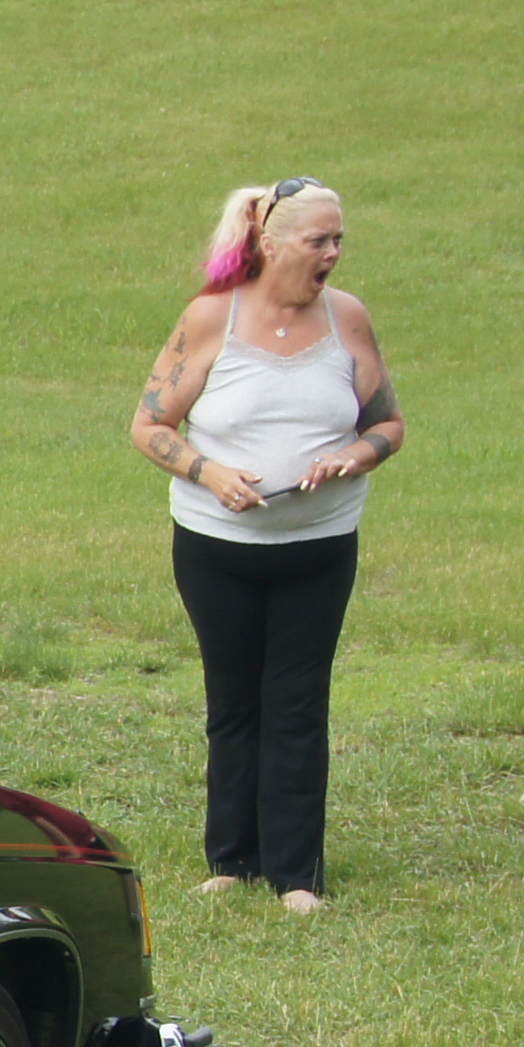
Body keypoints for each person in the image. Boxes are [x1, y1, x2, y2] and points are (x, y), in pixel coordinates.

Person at [131, 178, 401, 914]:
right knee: (234, 702)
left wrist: (356, 455)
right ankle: (230, 859)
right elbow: (150, 425)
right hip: (217, 548)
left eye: (339, 239)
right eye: (320, 240)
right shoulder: (211, 318)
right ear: (271, 242)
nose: (334, 253)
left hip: (318, 547)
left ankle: (296, 874)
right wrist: (208, 470)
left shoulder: (348, 319)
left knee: (297, 703)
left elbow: (388, 425)